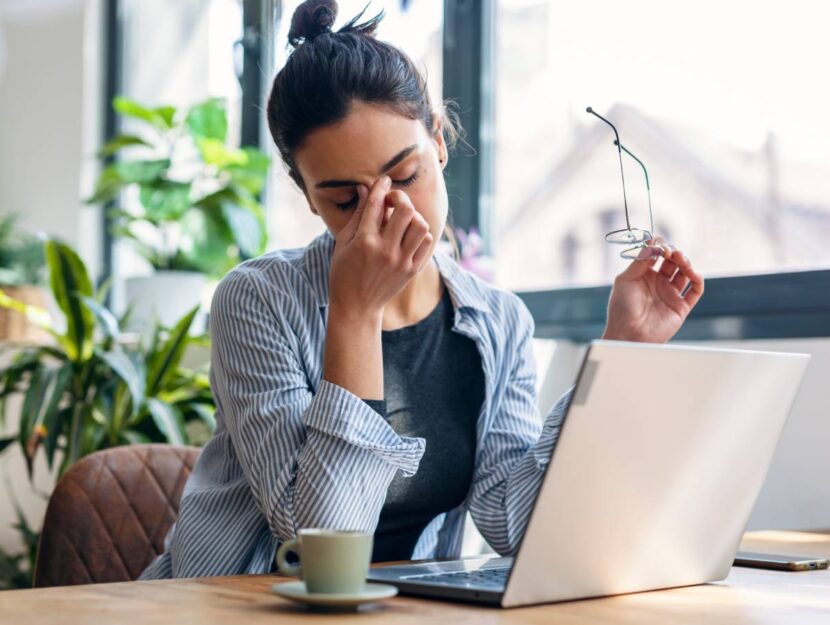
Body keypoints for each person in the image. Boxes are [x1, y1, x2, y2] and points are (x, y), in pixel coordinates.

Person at [138, 0, 704, 579]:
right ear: (307, 195)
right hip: (230, 607)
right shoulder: (258, 301)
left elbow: (514, 521)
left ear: (437, 139)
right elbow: (323, 547)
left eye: (405, 175)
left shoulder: (498, 321)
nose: (389, 211)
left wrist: (620, 350)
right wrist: (355, 315)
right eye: (345, 200)